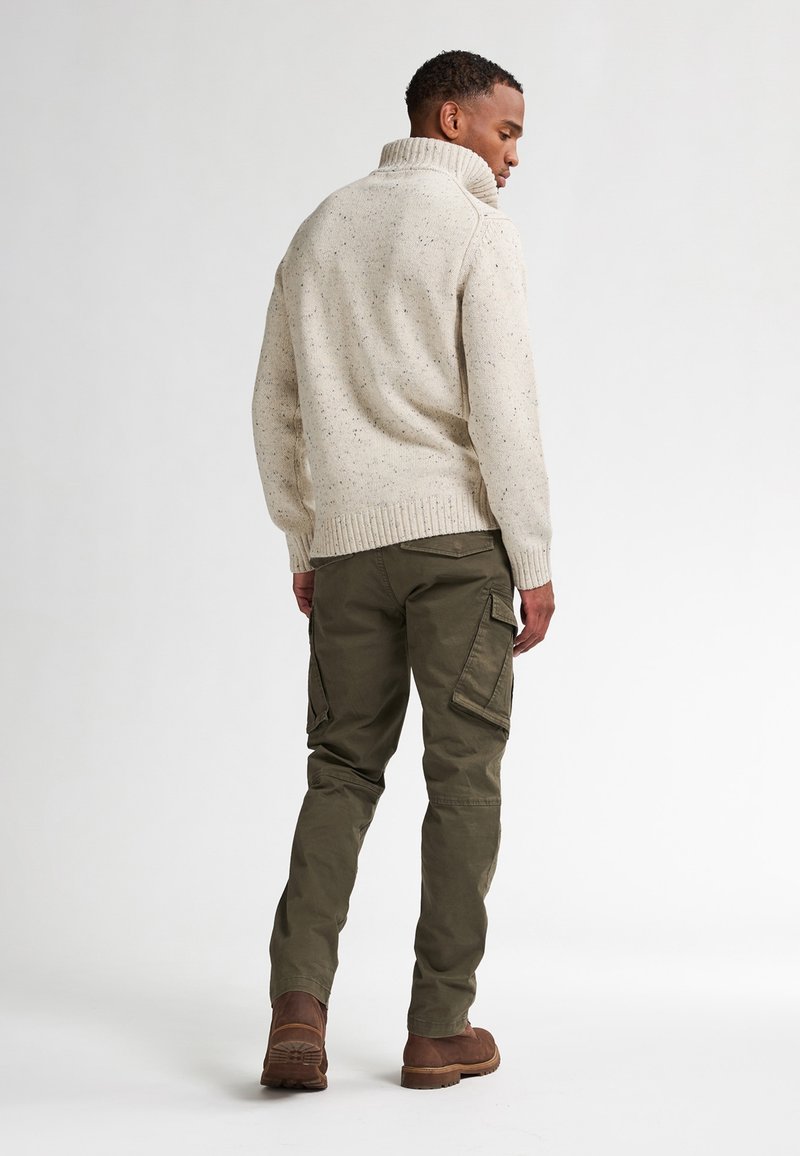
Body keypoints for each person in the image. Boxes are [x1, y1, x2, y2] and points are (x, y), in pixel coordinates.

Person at [251, 48, 555, 1092]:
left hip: (346, 550)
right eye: (506, 131)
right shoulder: (474, 229)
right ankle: (438, 1028)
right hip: (457, 548)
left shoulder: (320, 227)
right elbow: (503, 406)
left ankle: (298, 1011)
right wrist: (533, 557)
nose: (515, 156)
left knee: (338, 769)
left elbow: (275, 403)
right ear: (449, 119)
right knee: (461, 776)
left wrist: (304, 539)